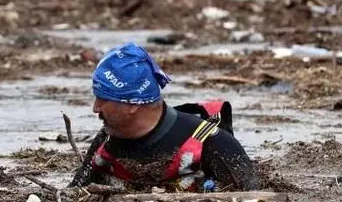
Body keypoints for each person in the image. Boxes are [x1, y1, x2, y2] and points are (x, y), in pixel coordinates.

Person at [69, 42, 258, 192]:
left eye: (103, 99)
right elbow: (76, 190)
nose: (95, 108)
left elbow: (255, 198)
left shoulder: (211, 142)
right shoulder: (107, 139)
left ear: (134, 104)